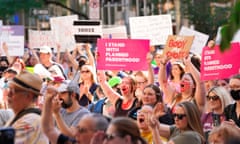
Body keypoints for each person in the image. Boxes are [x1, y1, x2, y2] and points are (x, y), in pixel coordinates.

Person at [42, 87, 109, 144]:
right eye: (77, 128)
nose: (76, 133)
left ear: (98, 135)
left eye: (82, 130)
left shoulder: (83, 113)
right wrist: (48, 99)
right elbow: (48, 129)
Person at [5, 70, 48, 144]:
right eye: (9, 89)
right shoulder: (22, 115)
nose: (9, 94)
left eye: (13, 91)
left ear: (28, 96)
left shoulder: (31, 121)